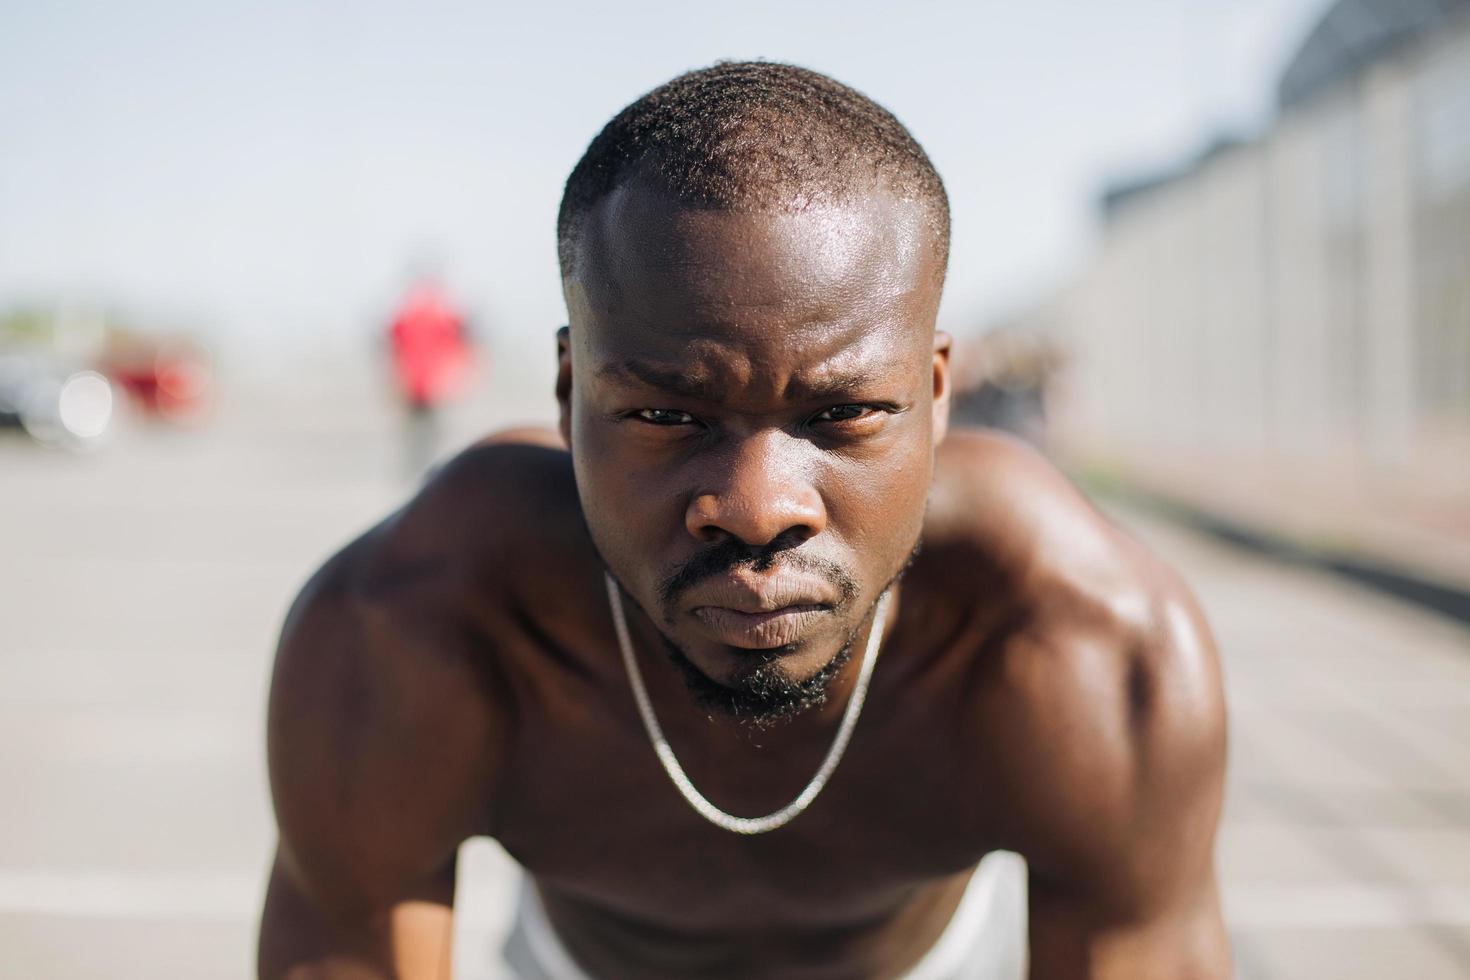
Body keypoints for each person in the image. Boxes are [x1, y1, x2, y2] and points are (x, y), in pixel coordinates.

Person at [259, 62, 1228, 979]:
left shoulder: (1087, 642)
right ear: (569, 396)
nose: (759, 507)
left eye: (839, 414)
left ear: (937, 396)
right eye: (669, 415)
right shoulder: (413, 626)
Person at [387, 277, 473, 476]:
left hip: (417, 383)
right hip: (431, 384)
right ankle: (430, 474)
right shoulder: (441, 312)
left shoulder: (409, 312)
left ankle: (422, 473)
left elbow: (391, 344)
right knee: (430, 433)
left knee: (420, 433)